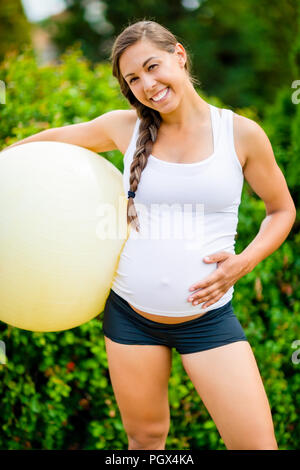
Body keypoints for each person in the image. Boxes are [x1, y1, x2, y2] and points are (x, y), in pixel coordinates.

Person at [4, 20, 295, 451]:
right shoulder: (125, 128)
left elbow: (282, 210)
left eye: (152, 66)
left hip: (209, 321)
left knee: (255, 444)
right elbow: (46, 144)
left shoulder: (241, 134)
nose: (147, 85)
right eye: (133, 79)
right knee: (144, 440)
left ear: (179, 54)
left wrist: (243, 262)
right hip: (130, 319)